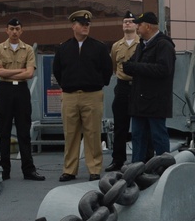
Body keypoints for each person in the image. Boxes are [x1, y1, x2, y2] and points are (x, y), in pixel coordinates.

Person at [52, 10, 113, 182]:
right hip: (70, 96)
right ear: (73, 26)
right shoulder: (64, 48)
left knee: (92, 134)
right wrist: (67, 84)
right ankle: (69, 170)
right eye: (82, 24)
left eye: (87, 24)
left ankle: (94, 169)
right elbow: (57, 70)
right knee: (70, 134)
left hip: (92, 95)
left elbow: (107, 69)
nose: (86, 27)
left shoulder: (99, 47)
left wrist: (98, 83)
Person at [0, 18, 45, 181]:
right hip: (5, 91)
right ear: (6, 30)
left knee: (24, 132)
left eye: (17, 28)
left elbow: (29, 74)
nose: (14, 31)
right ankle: (4, 170)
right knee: (4, 132)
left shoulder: (28, 49)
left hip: (21, 91)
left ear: (21, 31)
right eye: (11, 28)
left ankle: (28, 170)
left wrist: (7, 71)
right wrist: (19, 70)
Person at [122, 11, 175, 162]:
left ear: (148, 26)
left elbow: (164, 69)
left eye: (139, 24)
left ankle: (164, 168)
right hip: (139, 101)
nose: (137, 27)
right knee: (138, 136)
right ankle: (137, 167)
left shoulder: (164, 45)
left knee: (158, 135)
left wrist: (136, 67)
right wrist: (132, 66)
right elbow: (129, 66)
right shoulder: (141, 46)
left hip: (155, 101)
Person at [107, 11, 139, 172]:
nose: (128, 23)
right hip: (122, 87)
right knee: (120, 126)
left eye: (131, 21)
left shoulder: (142, 44)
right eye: (125, 21)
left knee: (141, 125)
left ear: (136, 25)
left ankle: (141, 158)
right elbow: (114, 67)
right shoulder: (116, 46)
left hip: (139, 87)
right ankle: (117, 160)